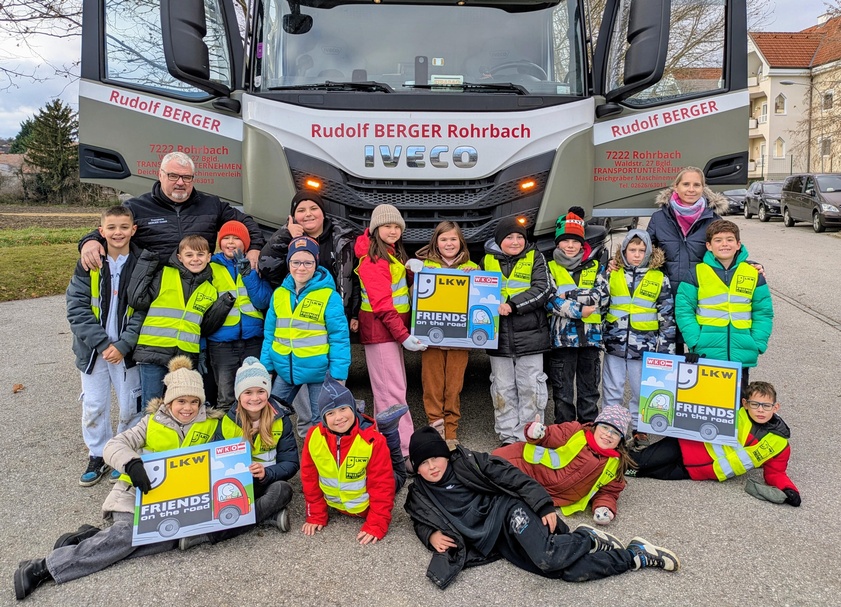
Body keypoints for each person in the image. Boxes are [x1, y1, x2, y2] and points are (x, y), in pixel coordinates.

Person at [13, 356, 224, 600]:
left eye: (194, 402)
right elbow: (113, 446)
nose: (188, 408)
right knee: (130, 534)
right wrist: (131, 463)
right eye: (181, 401)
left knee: (170, 537)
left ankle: (92, 539)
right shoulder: (151, 423)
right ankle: (44, 567)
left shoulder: (212, 425)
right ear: (168, 401)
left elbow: (233, 451)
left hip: (177, 505)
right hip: (136, 496)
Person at [403, 426, 680, 591]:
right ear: (416, 467)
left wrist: (543, 504)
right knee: (565, 571)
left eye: (437, 458)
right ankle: (636, 556)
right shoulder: (419, 494)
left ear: (447, 456)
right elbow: (420, 519)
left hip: (508, 511)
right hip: (495, 539)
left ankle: (588, 538)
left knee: (548, 557)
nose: (432, 467)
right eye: (424, 463)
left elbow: (514, 478)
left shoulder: (469, 463)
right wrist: (430, 535)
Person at [179, 357, 299, 549]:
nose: (255, 397)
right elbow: (215, 460)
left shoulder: (281, 419)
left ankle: (208, 535)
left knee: (283, 490)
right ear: (238, 395)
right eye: (248, 392)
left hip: (267, 482)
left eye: (261, 391)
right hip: (236, 487)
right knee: (215, 497)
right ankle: (267, 516)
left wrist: (267, 473)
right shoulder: (227, 421)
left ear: (268, 393)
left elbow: (291, 463)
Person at [66, 206, 148, 486]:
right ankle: (98, 453)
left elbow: (144, 311)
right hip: (93, 352)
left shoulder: (143, 264)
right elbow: (76, 308)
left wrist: (124, 344)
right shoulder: (89, 263)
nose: (118, 233)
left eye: (124, 227)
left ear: (133, 230)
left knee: (130, 407)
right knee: (94, 406)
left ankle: (122, 453)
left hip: (126, 353)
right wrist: (102, 344)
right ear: (101, 231)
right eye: (111, 228)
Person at [79, 151, 264, 270]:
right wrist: (90, 242)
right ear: (160, 175)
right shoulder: (136, 207)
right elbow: (111, 230)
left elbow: (246, 223)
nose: (180, 182)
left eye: (186, 177)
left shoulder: (211, 204)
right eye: (173, 176)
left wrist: (255, 248)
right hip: (153, 286)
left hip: (201, 282)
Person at [629, 381, 800, 506]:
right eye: (755, 404)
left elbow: (776, 473)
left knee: (641, 472)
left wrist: (789, 489)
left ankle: (614, 463)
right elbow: (698, 396)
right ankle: (607, 457)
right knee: (639, 462)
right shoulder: (731, 412)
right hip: (684, 447)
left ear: (776, 407)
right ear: (745, 404)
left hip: (696, 472)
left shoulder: (779, 444)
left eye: (766, 405)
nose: (761, 410)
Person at [354, 204, 426, 456]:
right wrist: (403, 336)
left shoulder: (388, 253)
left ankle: (386, 446)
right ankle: (404, 451)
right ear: (376, 229)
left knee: (389, 390)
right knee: (391, 393)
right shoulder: (374, 260)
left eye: (397, 226)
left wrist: (409, 273)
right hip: (383, 333)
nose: (393, 230)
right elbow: (383, 305)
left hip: (386, 334)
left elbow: (395, 292)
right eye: (387, 226)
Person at [260, 236, 351, 437]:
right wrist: (266, 368)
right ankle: (271, 458)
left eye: (308, 262)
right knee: (269, 412)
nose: (301, 268)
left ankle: (322, 464)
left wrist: (338, 374)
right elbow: (270, 335)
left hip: (319, 372)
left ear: (316, 263)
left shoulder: (329, 296)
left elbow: (339, 338)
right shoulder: (279, 294)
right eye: (296, 262)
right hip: (285, 370)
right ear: (288, 263)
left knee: (323, 421)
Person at [130, 235, 235, 407]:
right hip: (153, 351)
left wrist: (223, 305)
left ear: (209, 257)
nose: (195, 259)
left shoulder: (210, 289)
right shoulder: (165, 274)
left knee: (182, 408)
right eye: (189, 255)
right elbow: (137, 300)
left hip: (184, 357)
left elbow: (205, 327)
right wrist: (146, 263)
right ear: (179, 257)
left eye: (200, 255)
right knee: (151, 409)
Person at [300, 374, 405, 545]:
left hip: (370, 499)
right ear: (323, 419)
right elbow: (309, 478)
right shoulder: (313, 436)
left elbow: (382, 486)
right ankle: (361, 414)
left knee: (397, 476)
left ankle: (389, 430)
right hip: (341, 506)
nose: (339, 417)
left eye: (343, 409)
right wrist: (316, 515)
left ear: (351, 409)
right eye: (331, 413)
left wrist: (377, 523)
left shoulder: (372, 441)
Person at [674, 220, 773, 395]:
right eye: (718, 240)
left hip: (741, 354)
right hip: (707, 352)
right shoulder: (696, 273)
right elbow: (684, 310)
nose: (724, 244)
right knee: (708, 405)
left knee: (736, 405)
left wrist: (757, 343)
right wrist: (695, 341)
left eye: (729, 240)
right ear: (709, 246)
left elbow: (763, 312)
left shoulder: (752, 274)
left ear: (738, 244)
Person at [493, 406, 636, 526]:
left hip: (548, 495)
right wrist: (535, 432)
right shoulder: (575, 432)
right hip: (527, 467)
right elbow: (548, 435)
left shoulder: (614, 465)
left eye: (615, 432)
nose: (608, 434)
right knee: (488, 470)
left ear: (620, 441)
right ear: (595, 426)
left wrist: (603, 507)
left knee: (501, 496)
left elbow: (608, 492)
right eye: (605, 427)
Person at [480, 217, 553, 444]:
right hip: (498, 337)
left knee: (531, 387)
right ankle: (507, 437)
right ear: (499, 240)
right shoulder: (486, 261)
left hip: (531, 336)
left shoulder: (536, 257)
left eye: (519, 237)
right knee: (502, 389)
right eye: (509, 237)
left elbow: (543, 289)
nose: (515, 242)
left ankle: (528, 435)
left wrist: (512, 305)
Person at [602, 229, 675, 445]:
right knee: (612, 387)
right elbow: (602, 306)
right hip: (614, 343)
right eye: (632, 249)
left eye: (642, 250)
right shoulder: (611, 274)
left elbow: (667, 315)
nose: (637, 254)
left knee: (640, 389)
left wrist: (665, 349)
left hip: (644, 347)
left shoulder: (659, 278)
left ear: (650, 253)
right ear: (623, 251)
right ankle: (610, 425)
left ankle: (639, 428)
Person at [410, 221, 478, 447]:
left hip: (460, 341)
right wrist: (415, 276)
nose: (449, 244)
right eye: (444, 239)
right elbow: (414, 299)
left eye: (453, 239)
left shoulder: (472, 267)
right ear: (436, 243)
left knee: (454, 386)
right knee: (432, 384)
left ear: (460, 242)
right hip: (432, 340)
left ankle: (451, 432)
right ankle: (435, 427)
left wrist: (475, 275)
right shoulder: (423, 266)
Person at [545, 207, 609, 425]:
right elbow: (551, 300)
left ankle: (588, 434)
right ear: (557, 243)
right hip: (562, 342)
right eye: (565, 241)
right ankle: (564, 435)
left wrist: (569, 295)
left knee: (589, 393)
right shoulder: (549, 268)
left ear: (582, 244)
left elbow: (602, 296)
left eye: (575, 241)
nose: (570, 246)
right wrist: (581, 309)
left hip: (591, 341)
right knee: (562, 395)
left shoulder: (595, 267)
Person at [259, 190, 361, 327]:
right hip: (298, 320)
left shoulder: (343, 241)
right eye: (301, 210)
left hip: (334, 317)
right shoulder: (286, 240)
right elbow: (267, 267)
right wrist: (286, 234)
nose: (308, 214)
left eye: (314, 208)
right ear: (293, 217)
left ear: (323, 213)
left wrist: (354, 313)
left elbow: (353, 280)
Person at [207, 221, 273, 410]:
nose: (231, 242)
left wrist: (249, 275)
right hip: (221, 343)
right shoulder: (210, 267)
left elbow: (262, 301)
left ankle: (257, 437)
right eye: (226, 238)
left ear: (245, 244)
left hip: (253, 341)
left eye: (236, 238)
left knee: (256, 396)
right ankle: (230, 438)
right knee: (226, 397)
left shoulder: (255, 265)